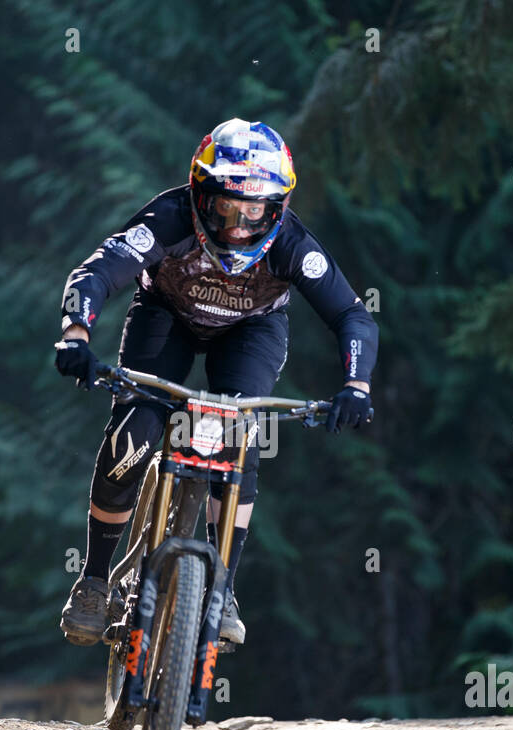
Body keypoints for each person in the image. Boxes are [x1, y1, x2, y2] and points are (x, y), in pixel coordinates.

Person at [54, 118, 379, 648]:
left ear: (277, 209)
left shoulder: (293, 243)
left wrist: (356, 386)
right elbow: (97, 271)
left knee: (235, 435)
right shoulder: (169, 216)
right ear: (199, 195)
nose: (238, 228)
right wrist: (75, 335)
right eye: (225, 208)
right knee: (133, 436)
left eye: (255, 212)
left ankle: (222, 587)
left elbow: (353, 317)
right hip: (166, 316)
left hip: (250, 331)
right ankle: (92, 580)